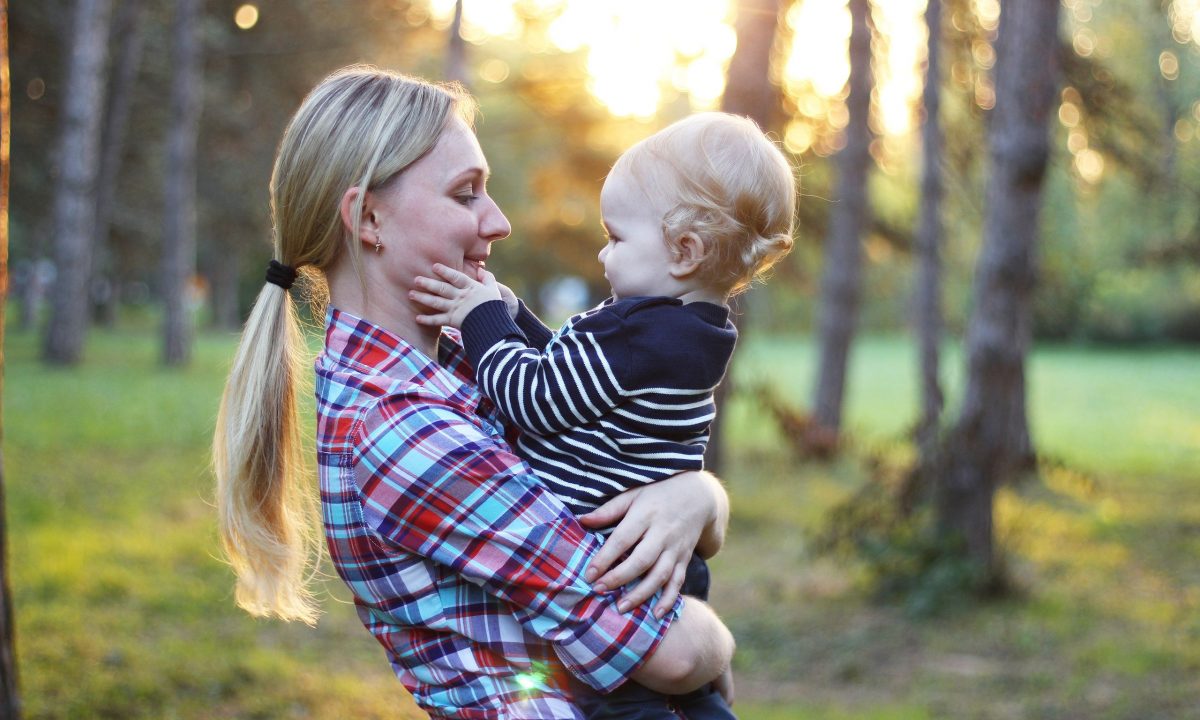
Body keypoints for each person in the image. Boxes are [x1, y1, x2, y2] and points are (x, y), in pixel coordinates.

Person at [211, 65, 737, 720]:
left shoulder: (459, 359)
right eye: (466, 194)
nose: (499, 221)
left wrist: (699, 496)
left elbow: (612, 459)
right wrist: (721, 644)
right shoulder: (398, 426)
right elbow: (671, 653)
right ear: (368, 217)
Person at [409, 113, 796, 719]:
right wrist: (509, 316)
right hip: (667, 564)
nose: (602, 253)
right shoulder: (687, 333)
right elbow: (575, 378)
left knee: (624, 705)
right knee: (692, 703)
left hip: (621, 573)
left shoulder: (635, 333)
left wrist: (478, 317)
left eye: (616, 238)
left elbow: (534, 399)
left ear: (684, 251)